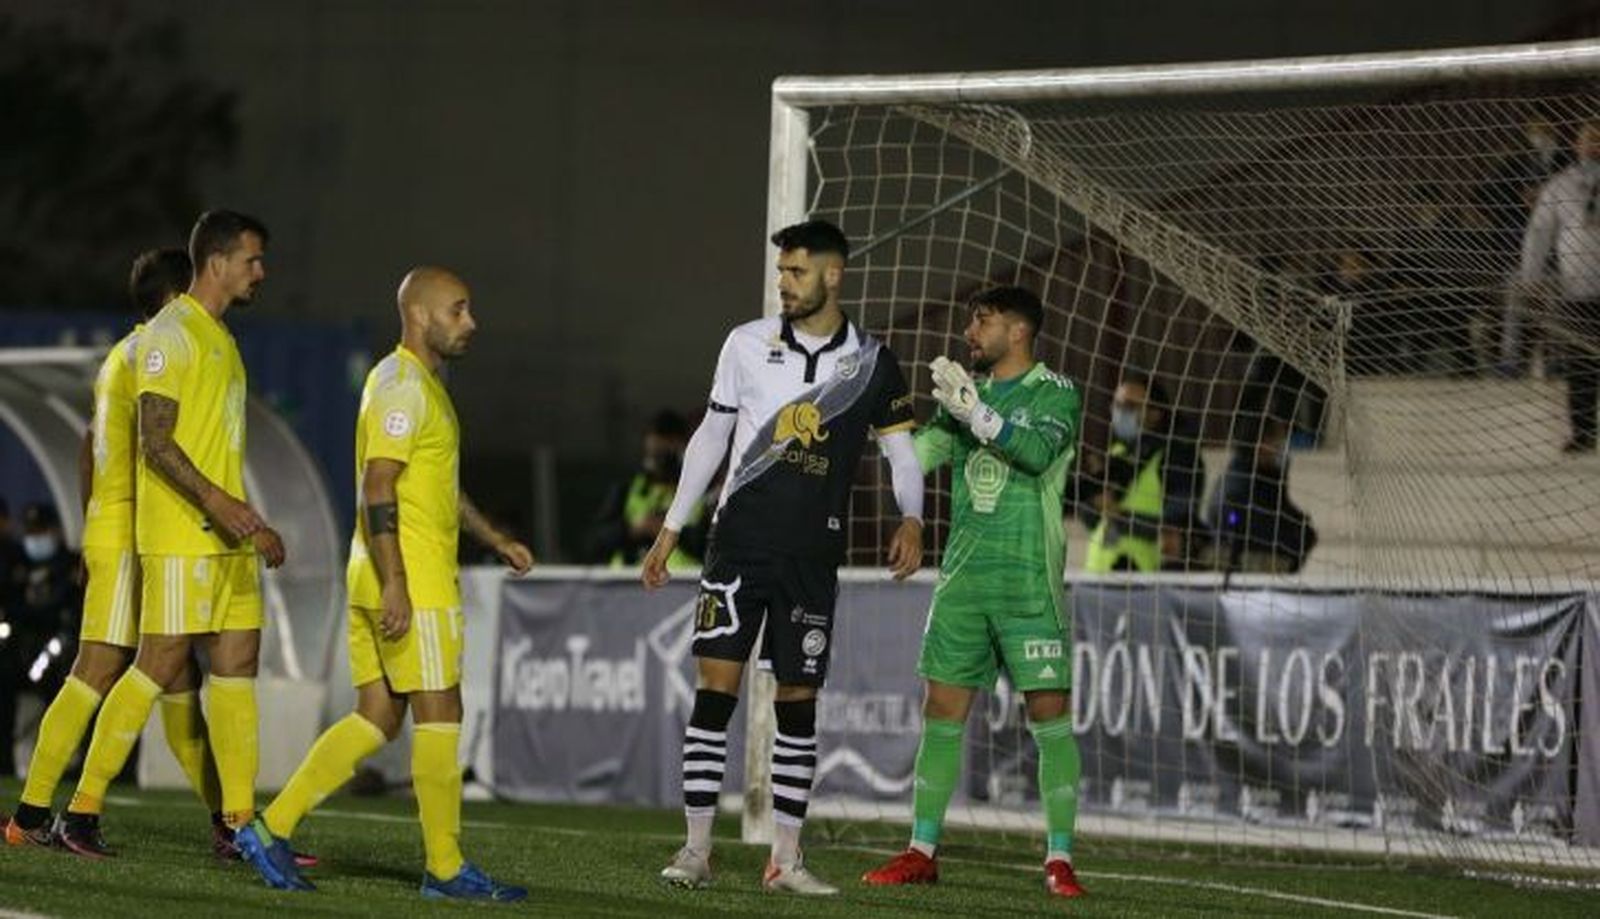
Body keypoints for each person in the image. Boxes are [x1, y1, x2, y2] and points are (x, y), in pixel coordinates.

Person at [641, 219, 924, 896]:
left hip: (811, 556)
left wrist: (911, 516)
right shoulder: (745, 343)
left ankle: (786, 860)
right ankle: (696, 848)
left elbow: (902, 452)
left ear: (834, 275)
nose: (784, 283)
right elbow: (713, 434)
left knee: (799, 700)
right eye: (782, 272)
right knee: (716, 690)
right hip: (737, 544)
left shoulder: (873, 362)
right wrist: (672, 526)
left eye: (797, 271)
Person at [235, 267, 533, 901]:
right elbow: (378, 487)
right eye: (458, 310)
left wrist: (494, 538)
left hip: (377, 571)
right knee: (441, 710)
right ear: (420, 316)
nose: (470, 322)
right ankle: (446, 868)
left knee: (377, 717)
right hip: (411, 577)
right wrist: (398, 583)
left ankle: (269, 828)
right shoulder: (402, 386)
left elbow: (438, 489)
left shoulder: (415, 385)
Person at [4, 249, 258, 859]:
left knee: (176, 679)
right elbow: (141, 447)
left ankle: (228, 821)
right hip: (134, 531)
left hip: (117, 526)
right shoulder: (153, 351)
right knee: (108, 672)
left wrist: (91, 521)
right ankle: (43, 813)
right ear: (178, 298)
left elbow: (92, 443)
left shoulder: (125, 354)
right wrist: (108, 529)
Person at [55, 211, 286, 857]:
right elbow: (156, 444)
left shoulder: (222, 338)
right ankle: (80, 811)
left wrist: (245, 516)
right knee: (156, 663)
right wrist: (226, 505)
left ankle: (240, 823)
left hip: (229, 531)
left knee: (239, 660)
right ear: (216, 261)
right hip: (183, 531)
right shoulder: (168, 334)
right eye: (252, 260)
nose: (260, 273)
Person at [860, 286, 1087, 899]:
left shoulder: (1055, 392)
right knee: (941, 714)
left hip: (1027, 585)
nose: (968, 330)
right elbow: (917, 456)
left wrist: (976, 415)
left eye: (982, 320)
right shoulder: (966, 398)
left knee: (1049, 716)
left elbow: (1038, 452)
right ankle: (921, 850)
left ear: (1018, 331)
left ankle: (1060, 858)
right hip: (962, 584)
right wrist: (874, 416)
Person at [1519, 121, 1600, 453]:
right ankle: (1583, 432)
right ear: (1576, 146)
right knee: (1580, 365)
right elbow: (1539, 234)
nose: (1594, 146)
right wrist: (1531, 278)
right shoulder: (1560, 186)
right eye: (1589, 140)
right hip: (1576, 291)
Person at [1076, 370, 1203, 572]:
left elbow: (1178, 529)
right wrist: (1093, 501)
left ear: (1155, 412)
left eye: (1129, 406)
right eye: (1116, 405)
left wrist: (1119, 516)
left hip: (1144, 582)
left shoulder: (1177, 458)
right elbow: (1095, 523)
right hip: (1098, 576)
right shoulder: (1117, 453)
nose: (1120, 412)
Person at [0, 504, 82, 780]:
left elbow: (65, 606)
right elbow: (11, 604)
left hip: (55, 647)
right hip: (20, 646)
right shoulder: (16, 563)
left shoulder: (68, 565)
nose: (35, 537)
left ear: (55, 530)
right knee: (5, 696)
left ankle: (67, 764)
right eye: (31, 530)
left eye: (41, 530)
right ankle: (5, 761)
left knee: (61, 701)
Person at [583, 409, 706, 569]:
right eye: (654, 454)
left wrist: (669, 531)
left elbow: (711, 546)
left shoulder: (701, 491)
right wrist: (633, 529)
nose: (658, 462)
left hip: (682, 585)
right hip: (629, 585)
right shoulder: (627, 489)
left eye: (665, 452)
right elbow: (594, 542)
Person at [1205, 417, 1317, 574]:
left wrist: (1299, 521)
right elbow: (1230, 518)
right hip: (1240, 553)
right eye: (1277, 441)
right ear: (1260, 443)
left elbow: (1281, 508)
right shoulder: (1238, 478)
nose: (1281, 447)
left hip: (1265, 545)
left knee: (1305, 534)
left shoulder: (1271, 474)